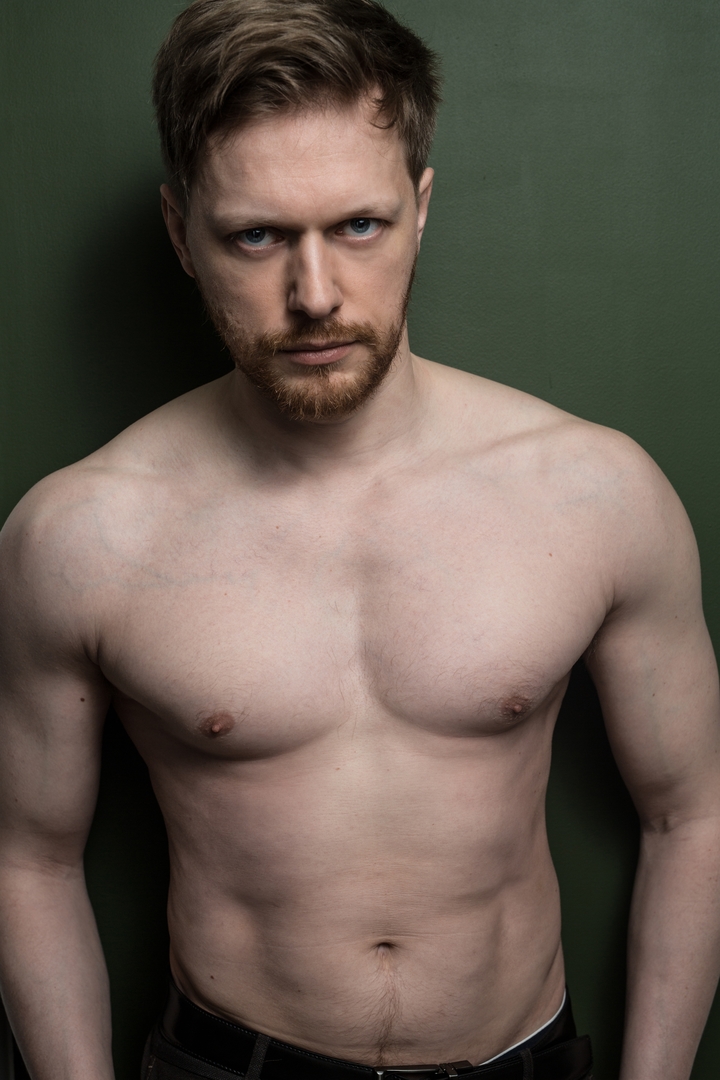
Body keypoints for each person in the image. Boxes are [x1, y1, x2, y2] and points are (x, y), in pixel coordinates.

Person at [1, 0, 719, 1077]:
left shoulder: (596, 493)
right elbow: (30, 861)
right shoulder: (80, 536)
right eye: (256, 236)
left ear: (420, 209)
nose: (316, 295)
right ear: (180, 234)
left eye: (359, 227)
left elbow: (693, 816)